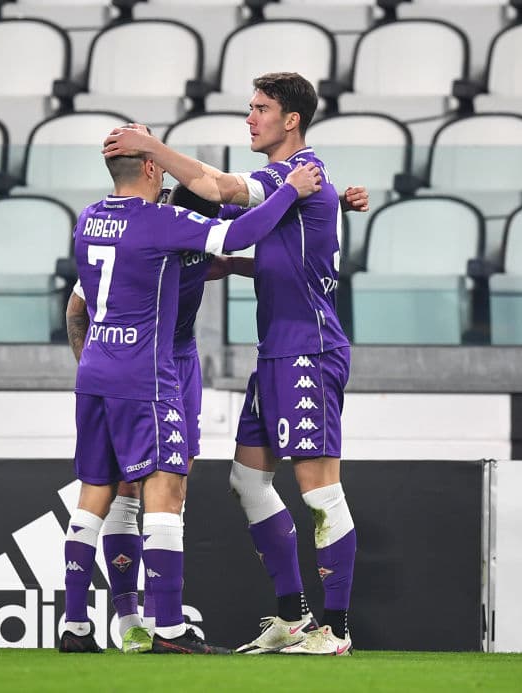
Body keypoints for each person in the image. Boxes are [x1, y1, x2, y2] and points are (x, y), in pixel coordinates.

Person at [104, 71, 359, 655]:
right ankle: (291, 618)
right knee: (247, 482)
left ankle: (337, 630)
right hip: (276, 350)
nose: (250, 118)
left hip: (309, 351)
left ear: (290, 119)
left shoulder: (294, 175)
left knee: (321, 492)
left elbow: (215, 188)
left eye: (260, 108)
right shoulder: (301, 183)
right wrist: (236, 267)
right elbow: (291, 252)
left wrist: (151, 148)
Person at [60, 129, 322, 655]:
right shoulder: (163, 222)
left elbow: (82, 304)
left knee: (95, 490)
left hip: (95, 371)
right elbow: (232, 237)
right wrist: (291, 190)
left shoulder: (88, 220)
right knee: (167, 487)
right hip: (146, 373)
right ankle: (169, 628)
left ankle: (75, 626)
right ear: (154, 170)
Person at [64, 184, 252, 654]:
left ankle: (126, 620)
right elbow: (78, 307)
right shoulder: (155, 232)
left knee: (171, 480)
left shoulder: (179, 221)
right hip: (142, 365)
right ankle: (136, 622)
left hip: (177, 361)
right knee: (137, 485)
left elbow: (233, 243)